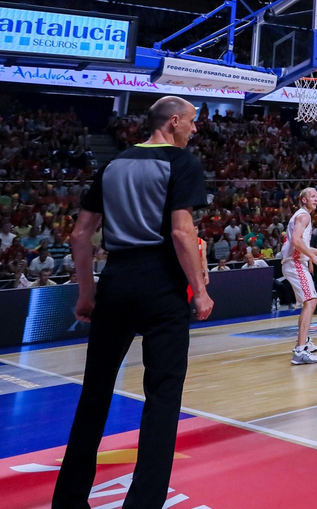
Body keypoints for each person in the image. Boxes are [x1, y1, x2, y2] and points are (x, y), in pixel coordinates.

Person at [52, 96, 212, 509]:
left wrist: (87, 293)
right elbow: (181, 233)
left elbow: (79, 236)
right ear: (174, 122)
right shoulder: (182, 163)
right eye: (192, 123)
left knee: (95, 393)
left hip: (116, 282)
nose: (195, 130)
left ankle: (68, 500)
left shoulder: (113, 165)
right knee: (161, 397)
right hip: (161, 285)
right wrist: (201, 288)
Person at [277, 188, 317, 365]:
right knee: (311, 300)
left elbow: (300, 243)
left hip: (293, 261)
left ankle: (303, 342)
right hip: (295, 263)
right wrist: (313, 257)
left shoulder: (301, 216)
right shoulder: (304, 216)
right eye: (312, 196)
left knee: (309, 302)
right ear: (303, 200)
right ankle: (300, 351)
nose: (316, 199)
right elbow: (295, 241)